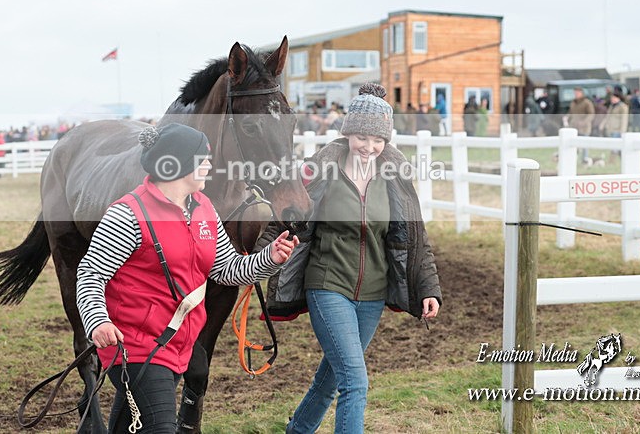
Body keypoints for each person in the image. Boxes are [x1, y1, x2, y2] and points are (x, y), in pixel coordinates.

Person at [76, 123, 299, 434]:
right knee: (161, 427)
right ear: (178, 164)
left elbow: (227, 270)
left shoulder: (203, 208)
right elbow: (91, 273)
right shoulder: (128, 214)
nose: (210, 164)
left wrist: (270, 258)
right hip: (136, 346)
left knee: (129, 425)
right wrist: (97, 321)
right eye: (202, 158)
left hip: (179, 343)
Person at [265, 83, 442, 434]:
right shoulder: (320, 171)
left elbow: (415, 238)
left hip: (373, 294)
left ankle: (297, 430)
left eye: (378, 141)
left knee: (332, 376)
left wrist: (428, 288)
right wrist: (264, 253)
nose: (369, 147)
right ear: (348, 133)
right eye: (362, 137)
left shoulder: (395, 177)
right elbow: (286, 217)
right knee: (355, 381)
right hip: (328, 285)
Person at [566, 87, 595, 164]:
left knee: (584, 145)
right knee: (574, 145)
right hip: (574, 127)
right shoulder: (573, 103)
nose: (576, 94)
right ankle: (573, 160)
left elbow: (591, 114)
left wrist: (584, 122)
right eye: (575, 93)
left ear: (582, 93)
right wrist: (567, 117)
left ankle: (584, 160)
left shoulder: (587, 103)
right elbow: (570, 113)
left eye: (577, 93)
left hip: (584, 128)